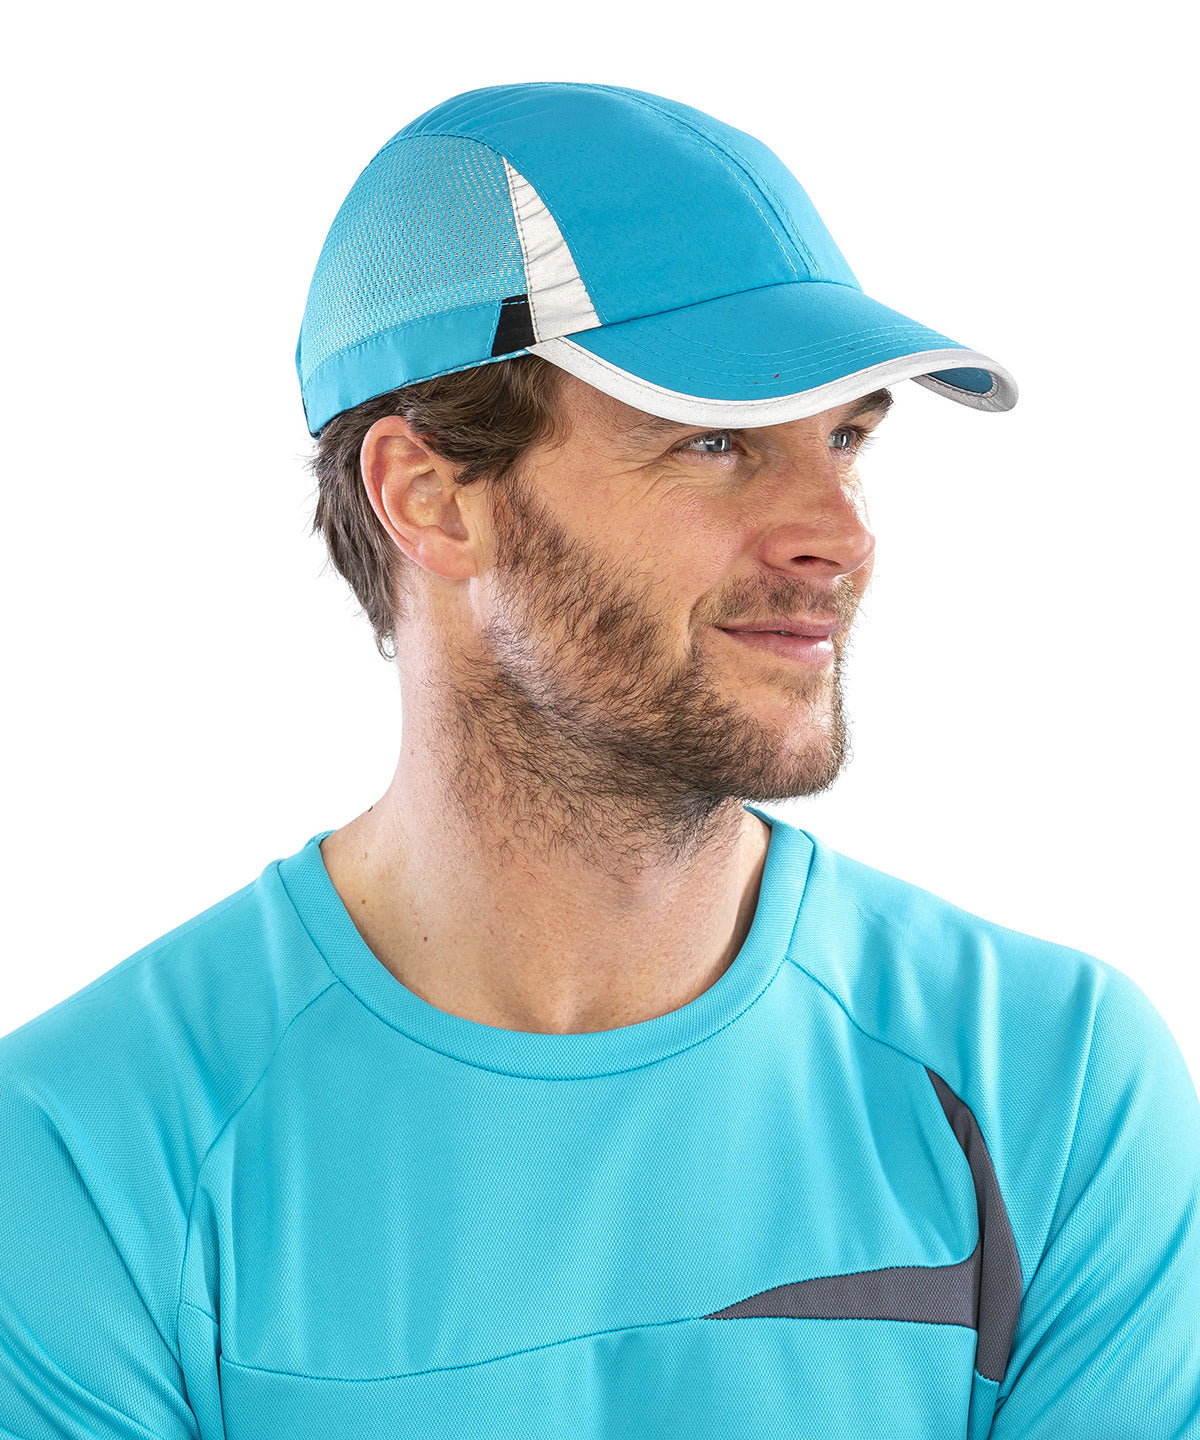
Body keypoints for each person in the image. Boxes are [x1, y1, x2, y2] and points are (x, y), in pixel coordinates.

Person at [1, 81, 1196, 1440]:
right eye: (716, 442)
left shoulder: (1054, 1086)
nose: (840, 535)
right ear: (430, 498)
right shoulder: (87, 1157)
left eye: (846, 439)